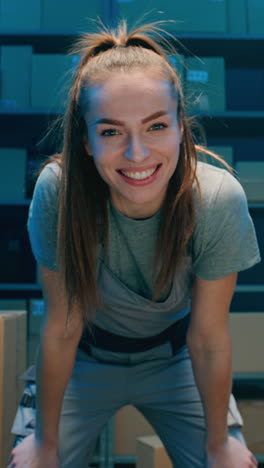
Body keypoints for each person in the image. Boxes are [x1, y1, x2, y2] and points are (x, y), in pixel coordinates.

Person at [11, 20, 261, 468]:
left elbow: (207, 338)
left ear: (181, 126)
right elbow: (62, 327)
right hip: (83, 359)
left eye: (156, 126)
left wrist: (220, 445)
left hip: (178, 359)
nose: (137, 154)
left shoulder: (217, 199)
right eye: (110, 132)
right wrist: (45, 444)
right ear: (85, 140)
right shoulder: (59, 191)